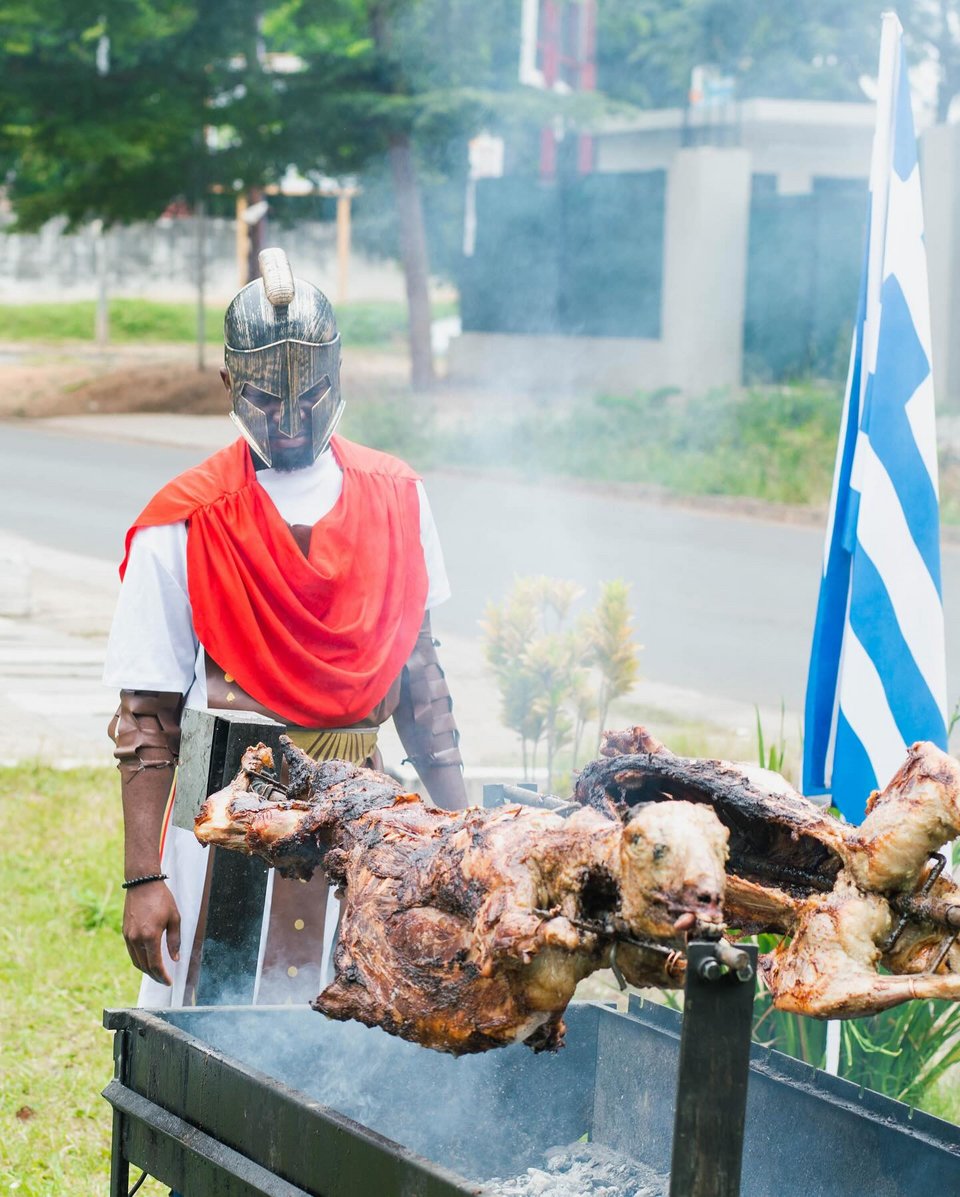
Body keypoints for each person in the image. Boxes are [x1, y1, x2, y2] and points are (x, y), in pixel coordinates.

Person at [103, 247, 467, 1008]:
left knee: (352, 1047)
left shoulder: (398, 497)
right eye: (268, 398)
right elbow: (146, 721)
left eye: (314, 392)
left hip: (362, 835)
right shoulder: (185, 519)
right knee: (216, 1043)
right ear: (230, 383)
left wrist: (462, 845)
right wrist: (145, 878)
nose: (294, 419)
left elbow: (421, 684)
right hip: (229, 838)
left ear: (340, 374)